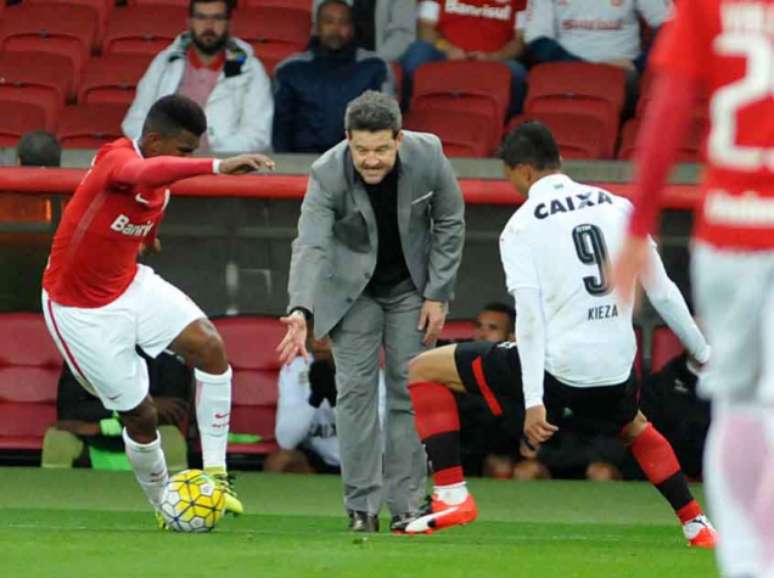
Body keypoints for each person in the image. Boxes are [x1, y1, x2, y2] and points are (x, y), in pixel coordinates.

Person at [395, 122, 716, 550]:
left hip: (557, 370)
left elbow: (528, 318)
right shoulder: (619, 208)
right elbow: (664, 292)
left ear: (521, 170)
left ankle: (453, 495)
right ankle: (696, 525)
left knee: (422, 369)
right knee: (635, 427)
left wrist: (533, 402)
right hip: (616, 368)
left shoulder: (522, 226)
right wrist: (703, 352)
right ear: (560, 162)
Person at [41, 93, 275, 526]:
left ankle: (217, 477)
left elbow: (140, 208)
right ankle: (163, 504)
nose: (190, 158)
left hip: (129, 284)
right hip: (78, 309)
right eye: (185, 150)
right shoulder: (118, 158)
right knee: (141, 415)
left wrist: (145, 238)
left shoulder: (159, 185)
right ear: (151, 139)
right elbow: (144, 173)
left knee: (209, 347)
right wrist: (217, 166)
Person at [609, 2, 774, 575]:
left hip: (730, 231)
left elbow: (669, 108)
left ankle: (748, 563)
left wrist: (637, 228)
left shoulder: (707, 6)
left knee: (740, 406)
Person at [277, 90, 465, 533]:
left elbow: (451, 220)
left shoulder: (430, 153)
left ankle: (407, 506)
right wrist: (300, 308)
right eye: (361, 150)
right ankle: (361, 508)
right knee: (355, 396)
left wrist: (439, 293)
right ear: (347, 140)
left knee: (407, 392)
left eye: (381, 149)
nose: (372, 159)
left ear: (399, 139)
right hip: (349, 292)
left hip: (412, 290)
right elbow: (311, 243)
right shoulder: (326, 172)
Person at [122, 0, 273, 155]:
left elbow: (258, 134)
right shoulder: (165, 63)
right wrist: (162, 148)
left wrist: (214, 157)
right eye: (201, 17)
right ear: (190, 23)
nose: (209, 26)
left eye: (217, 18)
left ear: (229, 24)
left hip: (223, 170)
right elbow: (135, 121)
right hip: (165, 164)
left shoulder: (250, 69)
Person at [272, 0, 395, 153]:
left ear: (352, 28)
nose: (336, 29)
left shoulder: (375, 67)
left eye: (343, 23)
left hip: (357, 161)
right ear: (316, 28)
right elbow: (280, 129)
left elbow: (386, 124)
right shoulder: (290, 69)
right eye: (329, 22)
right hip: (300, 161)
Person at [42, 350, 192, 472]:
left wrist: (100, 427)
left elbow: (172, 413)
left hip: (147, 436)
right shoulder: (82, 356)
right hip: (90, 441)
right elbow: (69, 412)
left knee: (172, 439)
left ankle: (172, 502)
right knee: (57, 439)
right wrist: (144, 405)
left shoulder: (167, 356)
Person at [400, 0, 528, 113]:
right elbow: (424, 27)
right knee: (418, 52)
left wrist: (495, 57)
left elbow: (519, 40)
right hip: (444, 53)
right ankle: (405, 114)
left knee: (517, 72)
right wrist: (447, 48)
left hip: (494, 61)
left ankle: (506, 130)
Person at [524, 0, 668, 74]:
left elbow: (669, 28)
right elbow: (537, 39)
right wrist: (585, 67)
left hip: (623, 71)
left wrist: (639, 64)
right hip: (567, 69)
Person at [312, 0, 417, 61]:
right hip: (335, 54)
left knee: (420, 52)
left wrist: (373, 60)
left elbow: (403, 34)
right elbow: (320, 27)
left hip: (381, 56)